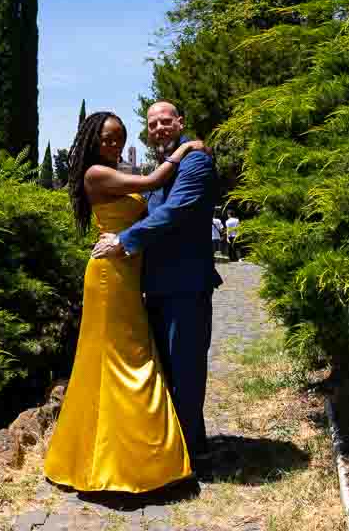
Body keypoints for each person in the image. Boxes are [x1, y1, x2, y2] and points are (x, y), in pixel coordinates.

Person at [44, 111, 206, 493]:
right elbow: (153, 180)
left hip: (127, 275)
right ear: (91, 141)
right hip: (109, 276)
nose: (114, 146)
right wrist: (184, 148)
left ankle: (118, 453)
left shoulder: (112, 172)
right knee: (126, 359)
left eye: (120, 138)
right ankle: (129, 463)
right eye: (107, 139)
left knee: (121, 358)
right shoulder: (95, 174)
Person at [91, 102, 222, 472]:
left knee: (186, 371)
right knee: (161, 371)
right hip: (153, 286)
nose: (160, 128)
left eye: (166, 121)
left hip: (184, 284)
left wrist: (124, 240)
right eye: (153, 124)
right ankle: (169, 448)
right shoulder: (166, 167)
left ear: (180, 122)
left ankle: (194, 451)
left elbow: (174, 211)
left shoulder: (195, 162)